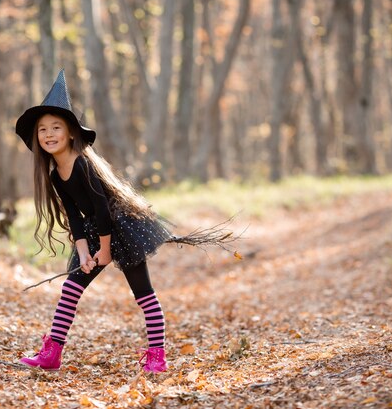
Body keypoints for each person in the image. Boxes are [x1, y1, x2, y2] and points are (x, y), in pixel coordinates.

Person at [15, 70, 237, 373]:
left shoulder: (82, 163)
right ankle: (52, 353)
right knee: (71, 288)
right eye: (43, 130)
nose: (49, 134)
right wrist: (82, 252)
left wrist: (104, 251)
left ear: (70, 133)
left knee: (143, 294)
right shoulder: (56, 174)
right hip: (95, 231)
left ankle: (157, 356)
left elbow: (102, 208)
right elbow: (73, 216)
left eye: (56, 127)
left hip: (121, 226)